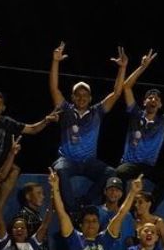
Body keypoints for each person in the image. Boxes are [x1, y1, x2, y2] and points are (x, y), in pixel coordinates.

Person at [48, 42, 129, 211]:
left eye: (85, 95)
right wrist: (55, 62)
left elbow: (116, 93)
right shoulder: (66, 110)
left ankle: (86, 202)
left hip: (89, 162)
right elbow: (54, 88)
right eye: (78, 94)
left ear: (90, 98)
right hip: (68, 160)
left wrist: (122, 68)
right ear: (72, 97)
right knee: (60, 170)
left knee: (110, 173)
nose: (81, 98)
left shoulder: (97, 112)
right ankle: (73, 210)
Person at [51, 169, 140, 250]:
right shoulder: (74, 239)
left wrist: (133, 192)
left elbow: (121, 214)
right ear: (80, 225)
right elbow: (62, 213)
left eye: (94, 221)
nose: (91, 224)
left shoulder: (105, 240)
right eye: (87, 221)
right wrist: (55, 187)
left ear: (100, 224)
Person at [114, 58, 164, 208]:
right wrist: (142, 66)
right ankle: (122, 209)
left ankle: (149, 207)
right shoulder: (135, 114)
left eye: (156, 98)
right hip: (129, 164)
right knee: (119, 173)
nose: (153, 99)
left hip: (148, 166)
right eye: (150, 97)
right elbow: (127, 87)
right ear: (144, 102)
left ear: (160, 104)